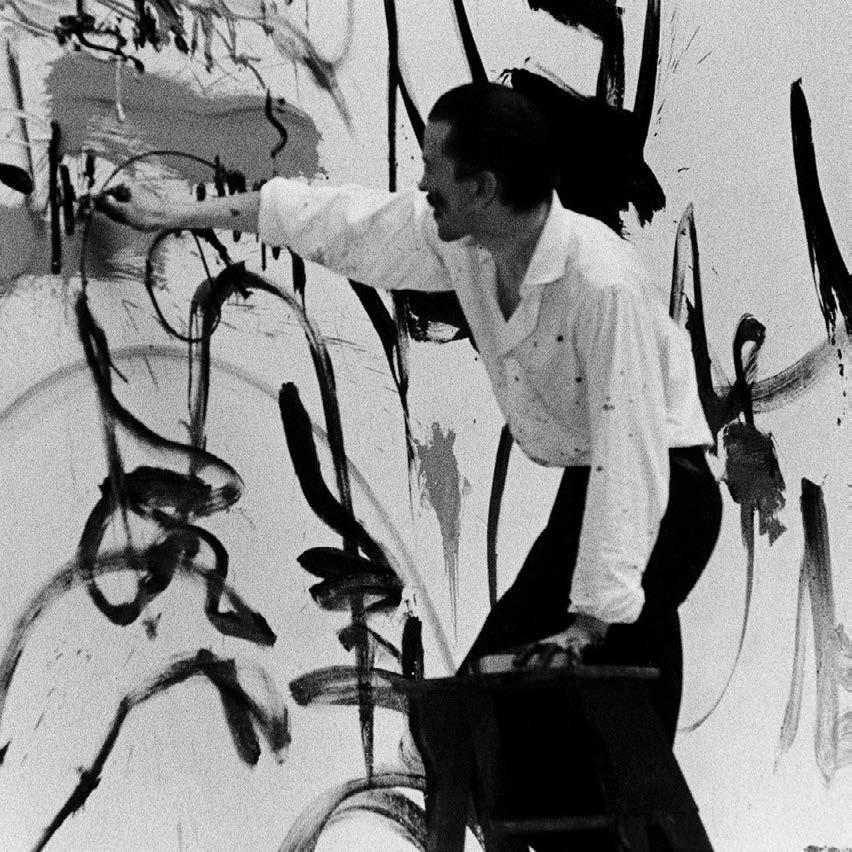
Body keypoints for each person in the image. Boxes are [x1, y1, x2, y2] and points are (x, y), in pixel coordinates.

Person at [100, 81, 722, 849]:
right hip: (596, 491)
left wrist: (592, 620)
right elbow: (334, 221)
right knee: (503, 726)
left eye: (434, 169)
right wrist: (172, 212)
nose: (421, 184)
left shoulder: (600, 281)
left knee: (548, 720)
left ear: (482, 187)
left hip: (664, 497)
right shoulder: (465, 242)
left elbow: (632, 452)